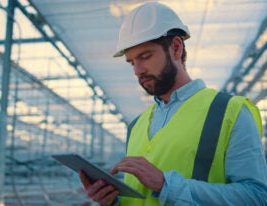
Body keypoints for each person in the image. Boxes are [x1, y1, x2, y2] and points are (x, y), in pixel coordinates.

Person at [79, 2, 267, 205]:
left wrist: (167, 185)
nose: (137, 70)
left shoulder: (229, 111)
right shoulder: (136, 126)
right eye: (132, 62)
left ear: (176, 48)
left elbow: (256, 196)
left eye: (145, 56)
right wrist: (113, 201)